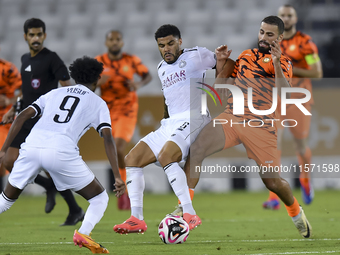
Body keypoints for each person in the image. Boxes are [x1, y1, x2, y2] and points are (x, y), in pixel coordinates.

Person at [182, 16, 312, 238]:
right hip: (233, 117)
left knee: (272, 182)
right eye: (261, 32)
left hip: (262, 125)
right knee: (197, 150)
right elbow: (222, 88)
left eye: (269, 34)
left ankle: (295, 210)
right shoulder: (245, 56)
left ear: (280, 37)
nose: (263, 37)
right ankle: (184, 211)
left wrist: (278, 63)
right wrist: (221, 65)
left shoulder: (284, 62)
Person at [0, 56, 126, 254]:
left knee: (5, 200)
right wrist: (117, 176)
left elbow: (22, 115)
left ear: (74, 76)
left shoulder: (54, 93)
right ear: (97, 80)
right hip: (61, 151)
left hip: (31, 146)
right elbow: (108, 139)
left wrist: (3, 149)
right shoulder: (98, 102)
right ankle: (84, 233)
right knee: (99, 198)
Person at [113, 24, 223, 234]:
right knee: (131, 159)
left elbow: (223, 65)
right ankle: (136, 219)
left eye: (170, 43)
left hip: (195, 118)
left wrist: (223, 68)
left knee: (166, 156)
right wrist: (166, 122)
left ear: (180, 42)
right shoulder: (161, 68)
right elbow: (169, 98)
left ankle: (190, 214)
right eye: (161, 45)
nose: (166, 49)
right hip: (170, 123)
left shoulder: (197, 55)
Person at [1, 18, 84, 225]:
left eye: (39, 34)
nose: (36, 38)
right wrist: (13, 108)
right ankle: (48, 186)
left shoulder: (52, 59)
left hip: (44, 121)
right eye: (32, 35)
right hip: (24, 117)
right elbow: (26, 91)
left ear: (44, 35)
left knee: (52, 167)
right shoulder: (24, 59)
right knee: (9, 161)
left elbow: (67, 87)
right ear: (25, 37)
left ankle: (75, 210)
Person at [263, 5, 323, 209]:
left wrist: (285, 66)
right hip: (277, 100)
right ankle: (274, 194)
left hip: (299, 99)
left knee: (300, 145)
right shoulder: (270, 42)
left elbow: (317, 73)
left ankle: (305, 178)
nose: (286, 19)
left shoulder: (305, 43)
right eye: (282, 15)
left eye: (289, 15)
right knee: (274, 144)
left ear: (295, 18)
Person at [95, 30, 152, 210]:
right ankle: (123, 187)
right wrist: (97, 82)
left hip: (127, 110)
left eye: (117, 39)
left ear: (122, 42)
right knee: (113, 149)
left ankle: (122, 189)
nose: (114, 42)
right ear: (106, 42)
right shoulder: (99, 61)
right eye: (111, 39)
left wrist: (138, 85)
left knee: (118, 147)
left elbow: (147, 76)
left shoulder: (131, 60)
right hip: (107, 111)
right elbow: (87, 84)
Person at [0, 52, 22, 190]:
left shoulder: (7, 69)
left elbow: (24, 91)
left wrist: (9, 100)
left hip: (4, 120)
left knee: (2, 158)